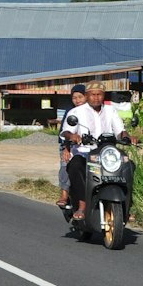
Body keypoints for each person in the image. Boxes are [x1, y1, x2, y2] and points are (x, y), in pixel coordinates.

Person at [64, 81, 130, 226]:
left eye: (99, 94)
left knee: (129, 165)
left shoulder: (111, 110)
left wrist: (127, 136)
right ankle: (82, 205)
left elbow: (120, 130)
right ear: (86, 95)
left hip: (106, 154)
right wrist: (73, 136)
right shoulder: (76, 112)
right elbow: (66, 131)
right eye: (92, 94)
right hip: (84, 153)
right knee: (75, 166)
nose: (96, 97)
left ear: (103, 95)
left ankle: (128, 205)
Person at [56, 83, 87, 214]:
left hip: (90, 146)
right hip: (70, 145)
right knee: (65, 165)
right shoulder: (71, 112)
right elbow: (65, 132)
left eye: (80, 97)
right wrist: (67, 149)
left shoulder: (93, 111)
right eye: (74, 98)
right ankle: (64, 195)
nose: (77, 100)